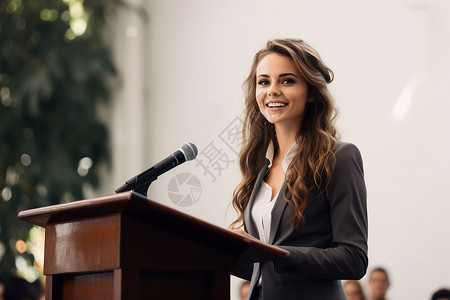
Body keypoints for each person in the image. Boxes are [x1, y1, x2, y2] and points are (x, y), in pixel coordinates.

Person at [229, 38, 368, 300]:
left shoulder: (339, 157)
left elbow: (354, 258)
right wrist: (223, 250)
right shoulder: (259, 165)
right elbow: (263, 270)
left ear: (311, 92)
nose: (272, 90)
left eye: (287, 80)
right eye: (264, 82)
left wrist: (276, 253)